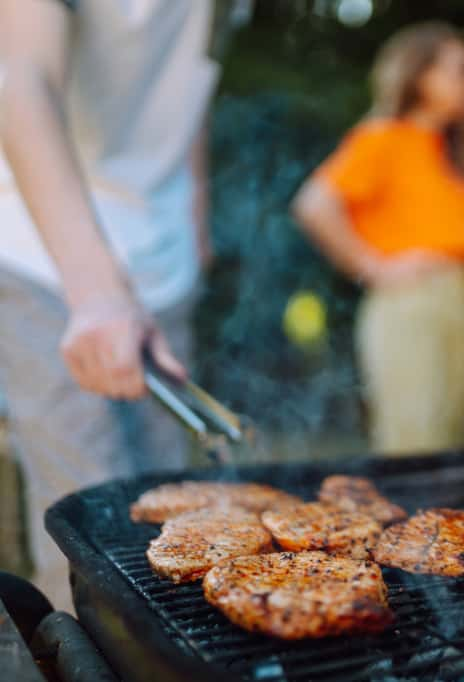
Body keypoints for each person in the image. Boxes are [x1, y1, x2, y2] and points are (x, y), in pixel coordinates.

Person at [0, 0, 218, 611]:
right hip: (51, 254)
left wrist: (194, 214)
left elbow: (189, 81)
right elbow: (23, 82)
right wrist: (96, 291)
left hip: (164, 257)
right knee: (89, 531)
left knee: (170, 523)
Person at [293, 22, 464, 455]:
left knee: (449, 434)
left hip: (458, 298)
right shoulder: (383, 137)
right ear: (420, 75)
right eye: (461, 70)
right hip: (410, 300)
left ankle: (440, 525)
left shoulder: (452, 152)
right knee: (412, 441)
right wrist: (372, 266)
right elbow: (314, 204)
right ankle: (410, 525)